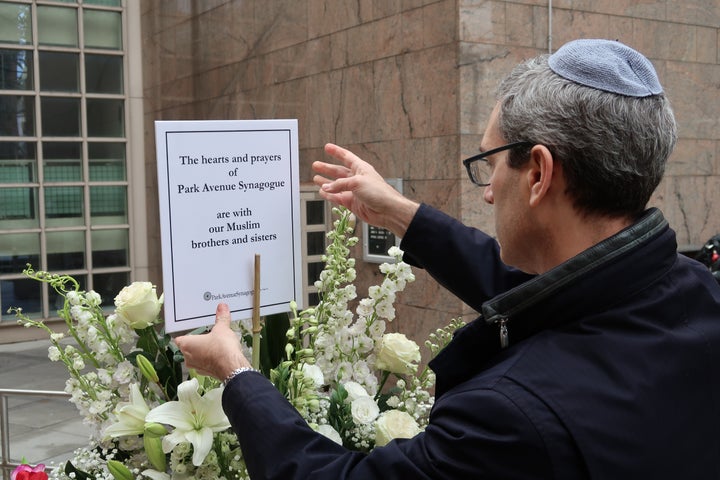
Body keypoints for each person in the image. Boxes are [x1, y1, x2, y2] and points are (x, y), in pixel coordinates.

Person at [175, 39, 720, 479]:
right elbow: (545, 297)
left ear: (538, 173)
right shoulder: (698, 292)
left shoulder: (509, 418)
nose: (486, 191)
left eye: (489, 162)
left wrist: (237, 372)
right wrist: (398, 214)